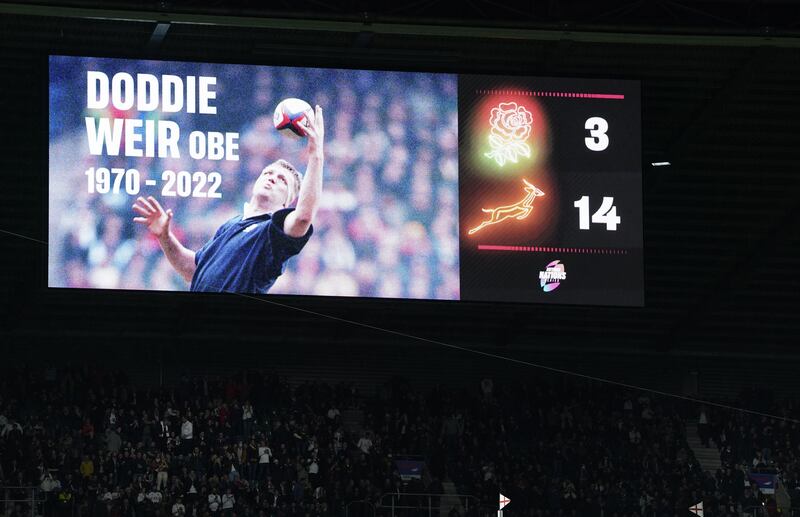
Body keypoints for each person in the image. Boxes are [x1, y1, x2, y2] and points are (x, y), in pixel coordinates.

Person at [133, 105, 325, 294]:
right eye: (268, 173)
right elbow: (191, 269)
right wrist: (165, 237)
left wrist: (316, 155)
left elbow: (303, 217)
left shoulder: (272, 233)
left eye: (282, 180)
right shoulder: (230, 225)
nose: (273, 178)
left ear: (287, 203)